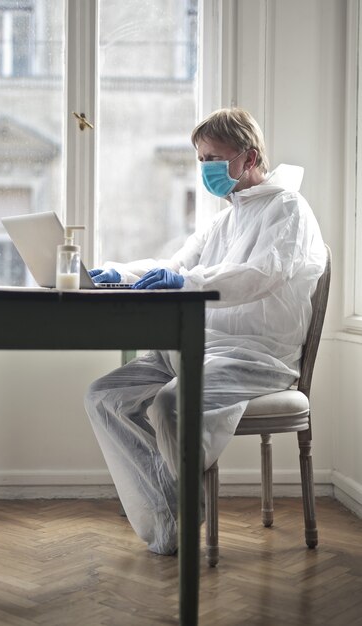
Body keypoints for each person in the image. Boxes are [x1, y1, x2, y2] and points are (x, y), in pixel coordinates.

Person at [84, 107, 326, 556]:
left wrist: (188, 283)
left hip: (255, 356)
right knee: (105, 396)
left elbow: (261, 274)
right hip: (200, 348)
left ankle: (181, 513)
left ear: (249, 157)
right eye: (200, 159)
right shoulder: (224, 218)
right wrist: (117, 272)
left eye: (213, 157)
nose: (205, 169)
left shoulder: (287, 208)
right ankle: (172, 508)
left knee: (171, 404)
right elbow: (175, 267)